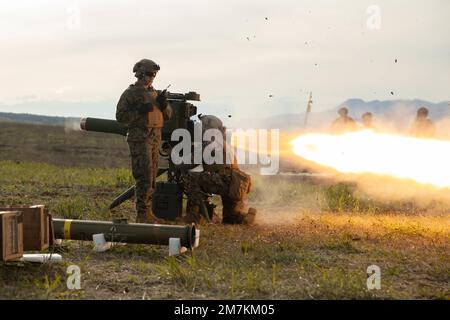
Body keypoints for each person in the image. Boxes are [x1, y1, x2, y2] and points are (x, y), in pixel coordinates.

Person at [116, 59, 173, 223]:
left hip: (155, 138)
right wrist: (139, 112)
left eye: (154, 75)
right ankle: (142, 214)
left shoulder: (155, 93)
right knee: (144, 176)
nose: (152, 77)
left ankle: (147, 213)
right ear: (140, 74)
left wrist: (164, 105)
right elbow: (120, 117)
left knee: (152, 176)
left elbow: (168, 116)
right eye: (149, 74)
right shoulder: (130, 94)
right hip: (140, 138)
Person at [183, 115, 256, 225]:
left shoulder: (210, 143)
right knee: (230, 220)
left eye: (201, 127)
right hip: (236, 187)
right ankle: (245, 218)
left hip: (226, 183)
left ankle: (193, 215)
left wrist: (172, 153)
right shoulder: (223, 143)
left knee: (193, 176)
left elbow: (188, 163)